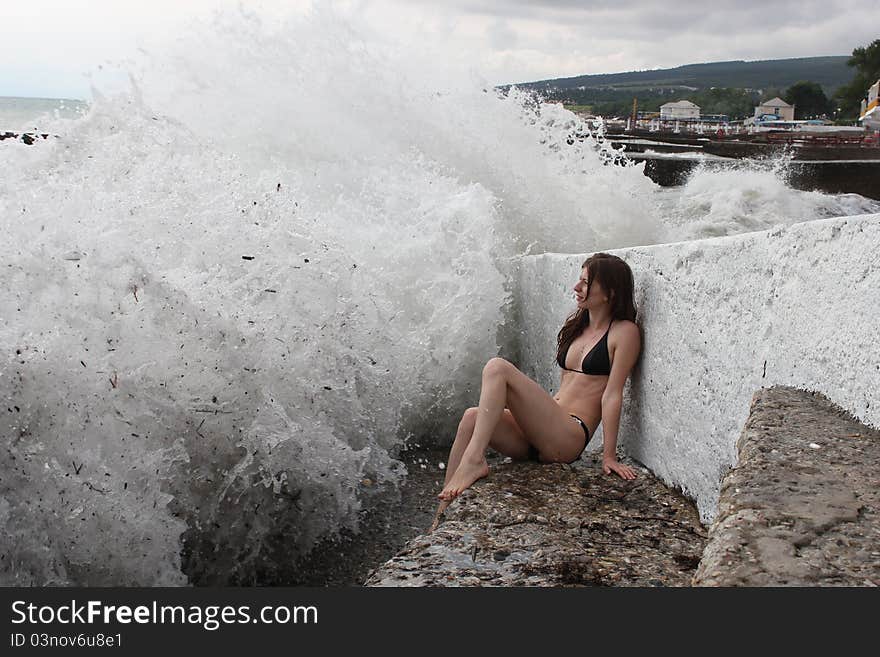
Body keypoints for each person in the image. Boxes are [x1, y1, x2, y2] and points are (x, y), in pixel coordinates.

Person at [431, 253, 642, 530]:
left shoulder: (624, 332)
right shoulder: (577, 327)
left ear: (610, 293)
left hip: (567, 437)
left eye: (586, 282)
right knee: (471, 417)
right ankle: (442, 515)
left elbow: (613, 394)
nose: (576, 288)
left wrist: (609, 456)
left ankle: (474, 460)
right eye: (578, 280)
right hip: (541, 433)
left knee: (497, 368)